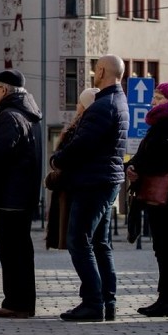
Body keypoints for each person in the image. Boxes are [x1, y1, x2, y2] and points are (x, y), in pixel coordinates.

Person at [51, 54, 128, 322]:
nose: (94, 73)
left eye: (96, 69)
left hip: (93, 181)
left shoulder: (102, 106)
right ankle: (108, 300)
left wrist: (57, 159)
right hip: (107, 179)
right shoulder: (119, 101)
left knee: (78, 241)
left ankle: (93, 302)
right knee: (100, 243)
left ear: (103, 71)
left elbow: (82, 145)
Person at [0, 69, 43, 319]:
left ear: (4, 90)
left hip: (10, 195)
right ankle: (23, 302)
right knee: (22, 250)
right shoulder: (31, 115)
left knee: (11, 251)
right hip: (24, 195)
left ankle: (16, 303)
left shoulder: (9, 116)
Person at [125, 82, 168, 318]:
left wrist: (138, 168)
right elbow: (145, 154)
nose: (153, 102)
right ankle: (164, 298)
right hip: (160, 194)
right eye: (154, 97)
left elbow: (165, 160)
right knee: (162, 248)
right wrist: (132, 165)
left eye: (159, 98)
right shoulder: (162, 123)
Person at [46, 87, 99, 250]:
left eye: (79, 102)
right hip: (72, 188)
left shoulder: (80, 128)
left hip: (71, 190)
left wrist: (54, 169)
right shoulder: (81, 126)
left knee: (79, 245)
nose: (76, 105)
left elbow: (68, 158)